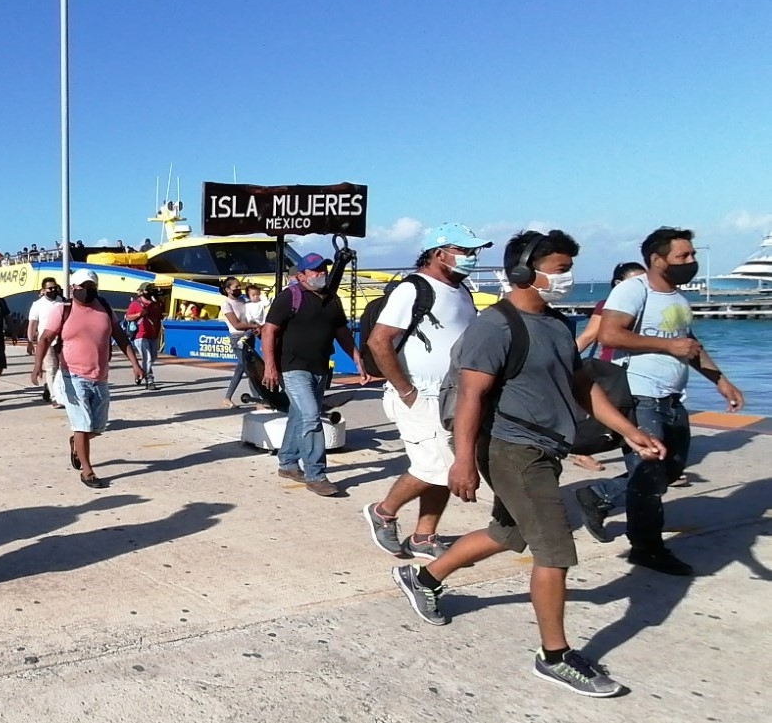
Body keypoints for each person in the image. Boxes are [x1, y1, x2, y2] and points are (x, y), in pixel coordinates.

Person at [390, 230, 665, 697]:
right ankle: (554, 655)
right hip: (511, 449)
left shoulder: (557, 323)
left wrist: (628, 430)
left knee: (508, 533)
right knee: (554, 550)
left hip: (546, 447)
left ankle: (423, 576)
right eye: (560, 269)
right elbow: (473, 395)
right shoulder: (495, 327)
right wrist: (462, 462)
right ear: (523, 271)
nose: (568, 278)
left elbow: (583, 386)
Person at [578, 228, 744, 573]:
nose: (691, 261)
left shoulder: (678, 298)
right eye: (683, 256)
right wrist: (668, 347)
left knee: (671, 469)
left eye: (692, 255)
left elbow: (689, 343)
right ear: (657, 259)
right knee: (649, 473)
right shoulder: (633, 290)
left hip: (671, 395)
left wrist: (720, 380)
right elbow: (610, 333)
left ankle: (599, 495)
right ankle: (647, 548)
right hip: (639, 392)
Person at [363, 223, 488, 559]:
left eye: (474, 251)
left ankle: (423, 536)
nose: (472, 258)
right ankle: (383, 511)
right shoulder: (413, 289)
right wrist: (407, 391)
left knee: (441, 467)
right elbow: (379, 341)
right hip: (420, 394)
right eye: (465, 251)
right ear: (439, 253)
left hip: (451, 394)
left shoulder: (461, 291)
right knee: (437, 466)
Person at [260, 253, 365, 497]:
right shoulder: (289, 298)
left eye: (323, 269)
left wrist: (357, 359)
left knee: (299, 416)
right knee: (310, 417)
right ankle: (316, 475)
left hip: (319, 368)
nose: (321, 274)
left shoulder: (331, 299)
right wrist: (270, 366)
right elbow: (269, 331)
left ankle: (287, 463)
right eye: (315, 270)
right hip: (293, 367)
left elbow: (342, 333)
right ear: (301, 275)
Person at [31, 269, 143, 488]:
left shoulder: (104, 307)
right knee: (82, 424)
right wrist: (37, 366)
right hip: (73, 375)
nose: (89, 291)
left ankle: (76, 444)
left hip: (100, 376)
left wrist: (135, 364)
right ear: (74, 288)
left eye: (92, 287)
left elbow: (119, 336)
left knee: (98, 427)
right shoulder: (62, 310)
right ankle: (87, 471)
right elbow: (45, 338)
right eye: (84, 287)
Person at [566, 262, 647, 473]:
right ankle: (647, 466)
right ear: (619, 284)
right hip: (614, 368)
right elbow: (589, 335)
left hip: (641, 370)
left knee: (627, 419)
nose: (643, 286)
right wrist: (563, 361)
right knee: (622, 417)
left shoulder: (649, 303)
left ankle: (649, 464)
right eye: (637, 281)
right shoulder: (610, 304)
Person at [220, 277, 262, 407]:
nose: (239, 289)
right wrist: (253, 326)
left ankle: (227, 398)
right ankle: (257, 401)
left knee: (241, 368)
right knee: (251, 369)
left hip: (249, 337)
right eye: (235, 287)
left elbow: (252, 317)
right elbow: (236, 324)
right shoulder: (226, 304)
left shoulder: (244, 300)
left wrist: (255, 325)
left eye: (239, 286)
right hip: (238, 338)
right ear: (228, 290)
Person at [28, 277, 67, 407]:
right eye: (50, 288)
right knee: (51, 368)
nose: (53, 290)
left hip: (62, 339)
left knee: (63, 368)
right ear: (43, 290)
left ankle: (53, 388)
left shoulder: (62, 302)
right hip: (46, 341)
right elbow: (32, 324)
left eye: (55, 287)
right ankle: (54, 397)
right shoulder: (37, 304)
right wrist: (30, 341)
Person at [124, 282, 164, 391]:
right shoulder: (136, 304)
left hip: (153, 335)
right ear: (142, 292)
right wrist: (139, 314)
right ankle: (149, 380)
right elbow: (127, 317)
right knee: (148, 358)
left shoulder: (156, 304)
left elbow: (159, 318)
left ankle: (139, 371)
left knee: (153, 357)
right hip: (140, 335)